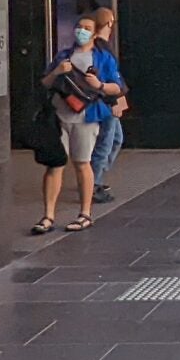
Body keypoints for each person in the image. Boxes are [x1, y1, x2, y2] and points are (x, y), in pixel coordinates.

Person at [36, 12, 122, 234]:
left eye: (86, 28)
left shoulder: (103, 58)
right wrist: (57, 71)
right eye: (79, 26)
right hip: (59, 116)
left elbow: (117, 87)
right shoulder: (64, 56)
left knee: (82, 163)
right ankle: (48, 216)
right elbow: (45, 82)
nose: (81, 31)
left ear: (94, 33)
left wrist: (99, 85)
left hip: (87, 117)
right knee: (54, 164)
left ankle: (85, 214)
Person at [90, 6, 126, 204]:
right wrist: (114, 100)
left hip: (107, 99)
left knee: (115, 140)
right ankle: (93, 183)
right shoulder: (100, 47)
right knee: (105, 143)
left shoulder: (101, 46)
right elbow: (107, 76)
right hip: (105, 101)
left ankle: (95, 178)